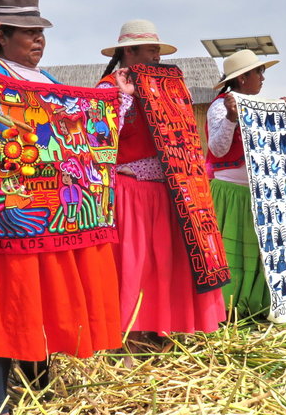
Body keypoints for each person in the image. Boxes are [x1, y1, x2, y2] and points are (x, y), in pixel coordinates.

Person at [0, 0, 122, 415]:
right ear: (2, 35)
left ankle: (39, 391)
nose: (38, 39)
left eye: (40, 31)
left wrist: (112, 101)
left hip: (48, 211)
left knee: (35, 297)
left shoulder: (48, 82)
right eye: (26, 31)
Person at [96, 19, 226, 342]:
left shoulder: (165, 88)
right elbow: (100, 137)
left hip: (168, 192)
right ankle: (130, 339)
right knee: (135, 267)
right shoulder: (107, 88)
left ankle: (162, 330)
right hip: (130, 194)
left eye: (157, 50)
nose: (156, 57)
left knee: (163, 267)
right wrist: (125, 98)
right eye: (151, 50)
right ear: (129, 51)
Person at [205, 49, 280, 318]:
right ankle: (226, 308)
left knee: (261, 252)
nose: (262, 77)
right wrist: (231, 118)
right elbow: (218, 148)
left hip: (260, 194)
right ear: (242, 78)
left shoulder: (260, 105)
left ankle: (255, 304)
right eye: (259, 72)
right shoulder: (220, 107)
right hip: (231, 195)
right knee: (230, 253)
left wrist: (280, 114)